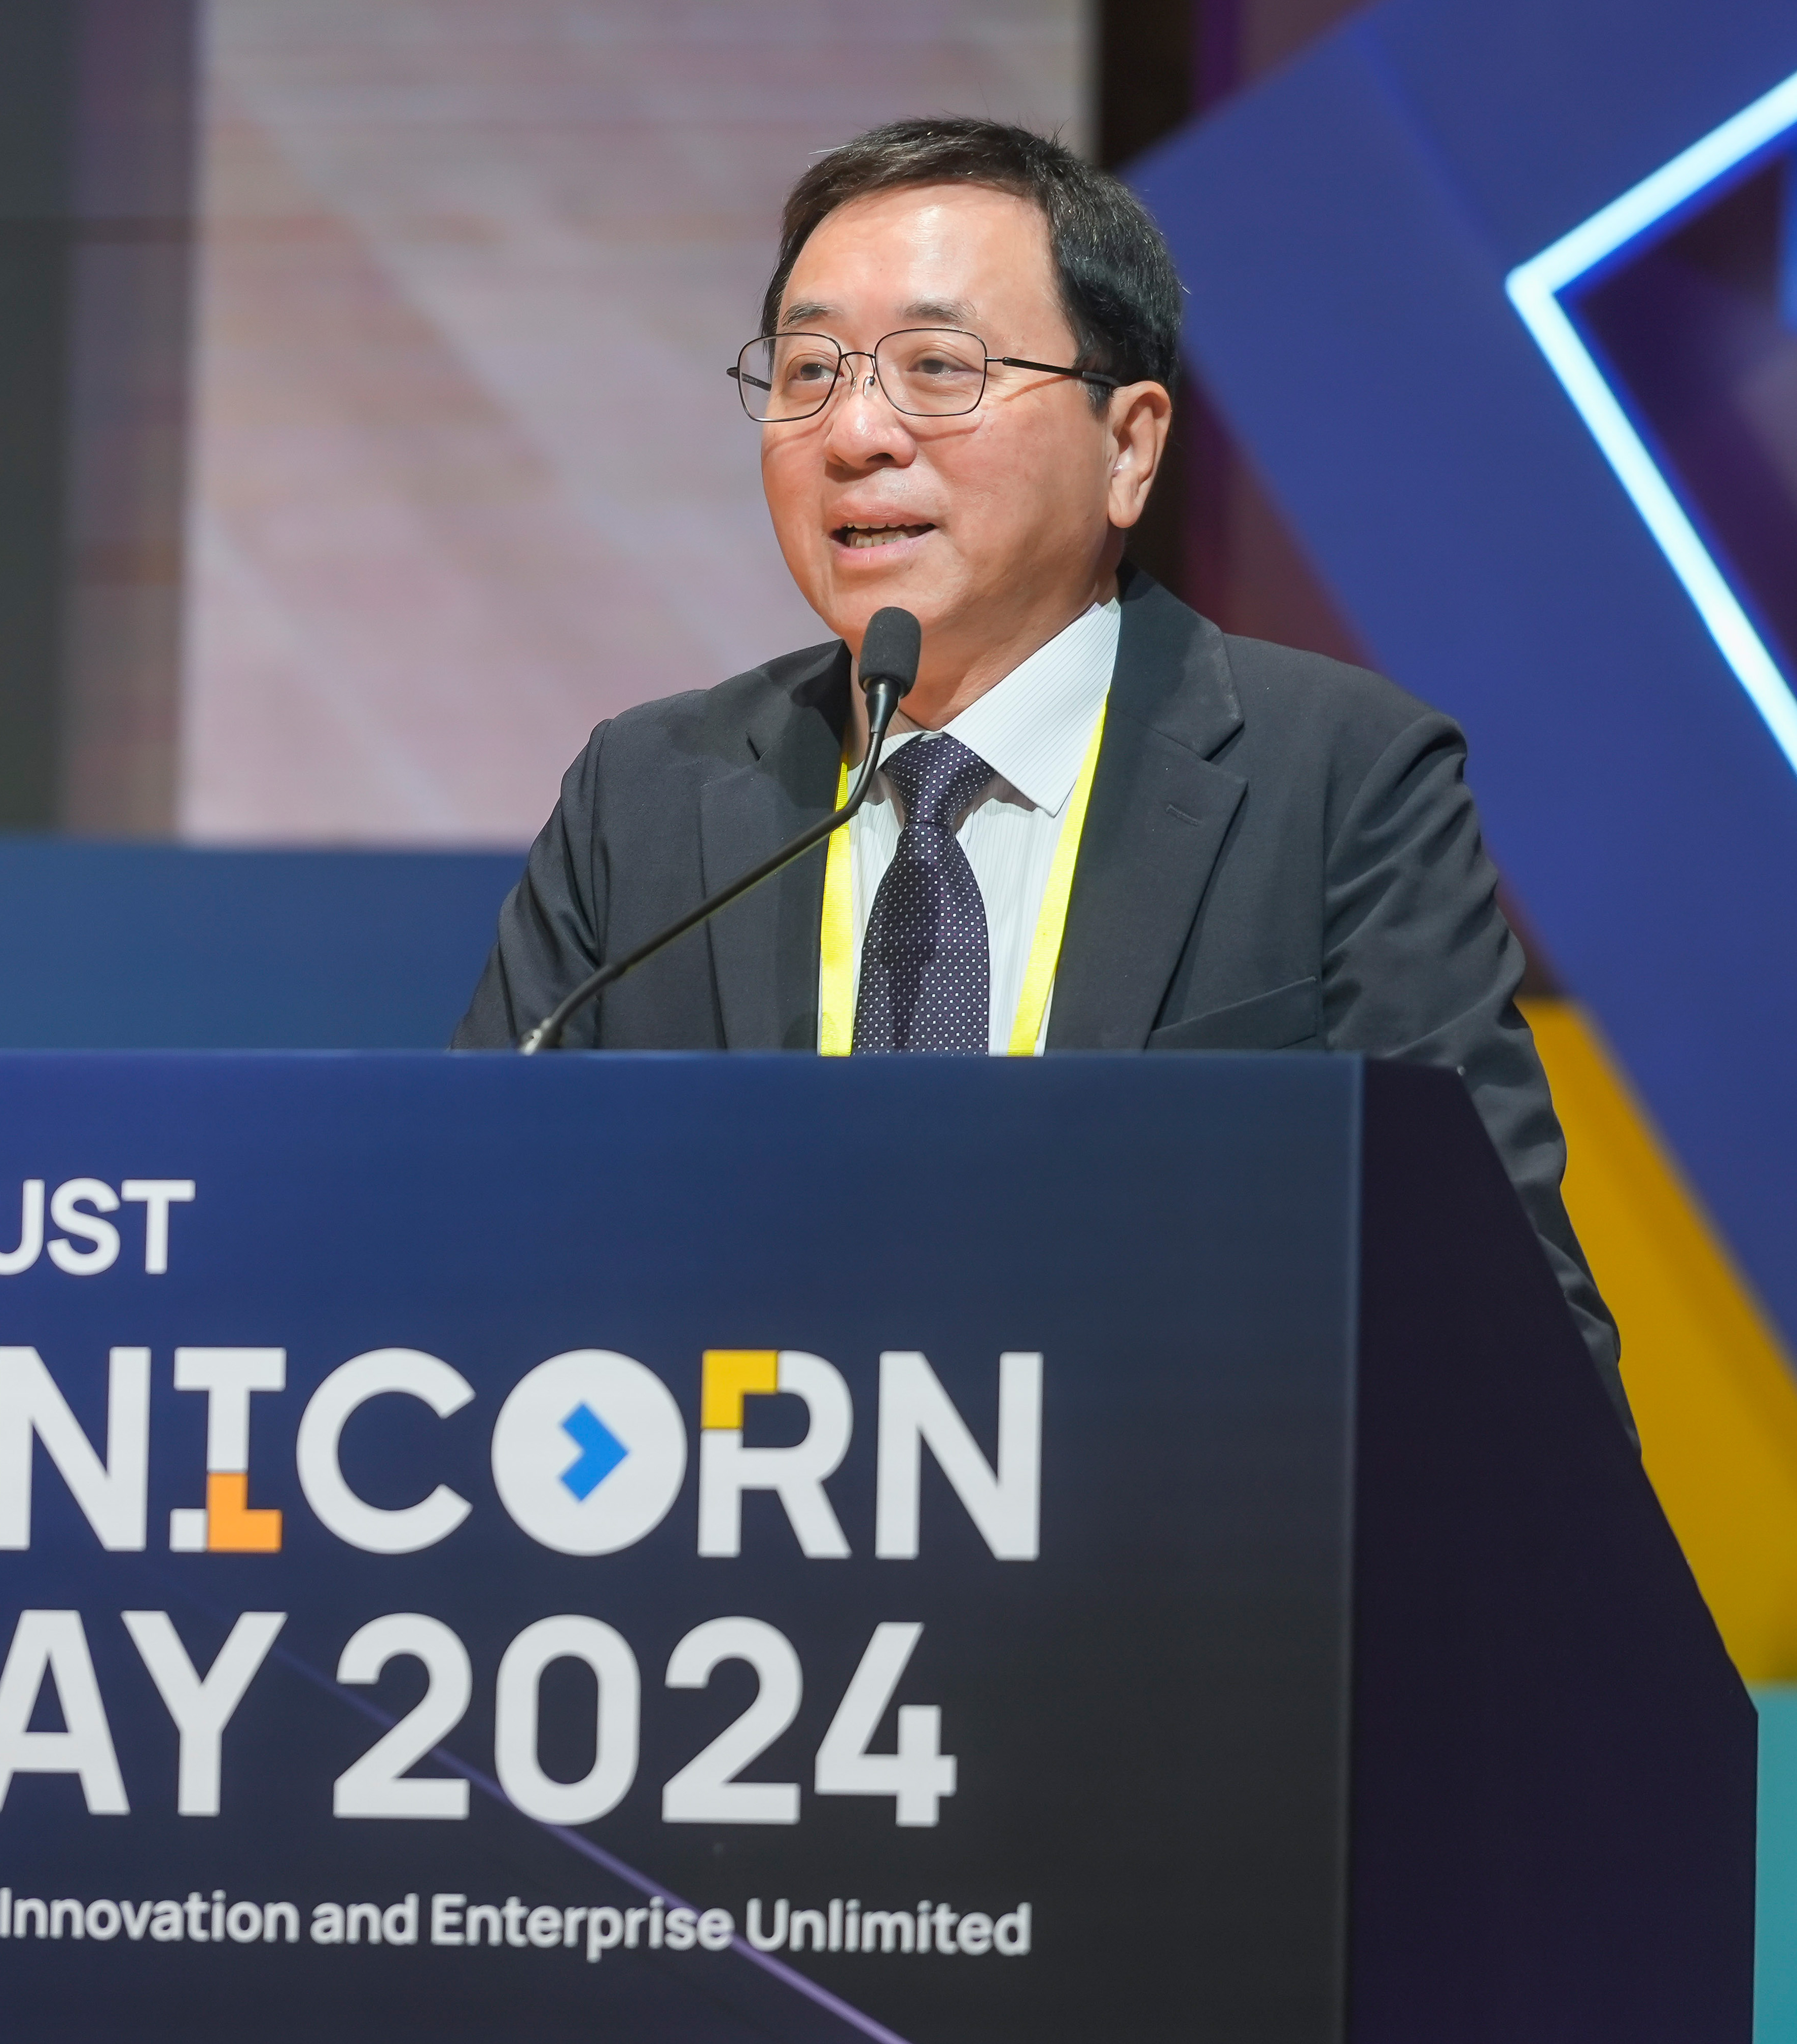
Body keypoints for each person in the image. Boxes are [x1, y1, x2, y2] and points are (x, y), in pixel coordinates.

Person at [452, 115, 1615, 1395]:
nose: (854, 432)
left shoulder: (1339, 782)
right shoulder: (646, 795)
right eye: (808, 370)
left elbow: (1502, 1333)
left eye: (936, 368)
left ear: (1128, 446)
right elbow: (461, 1269)